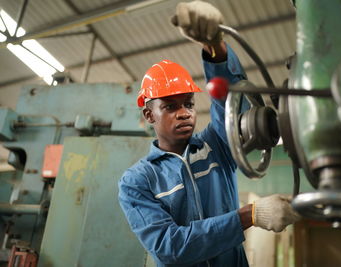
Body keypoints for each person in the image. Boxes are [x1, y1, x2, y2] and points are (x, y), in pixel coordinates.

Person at [118, 1, 299, 266]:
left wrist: (215, 48)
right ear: (149, 115)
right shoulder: (137, 181)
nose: (184, 113)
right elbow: (169, 247)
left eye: (189, 104)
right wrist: (248, 216)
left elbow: (228, 103)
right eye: (170, 106)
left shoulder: (216, 146)